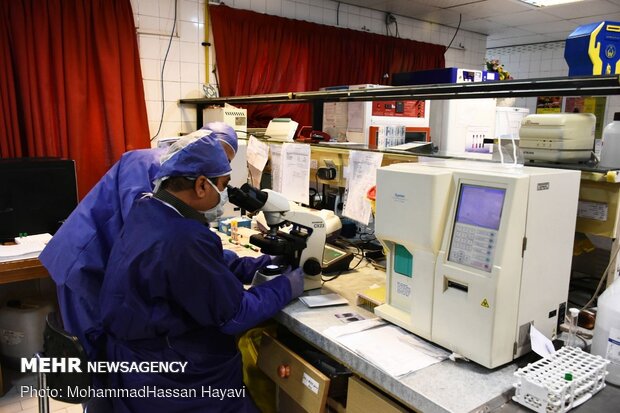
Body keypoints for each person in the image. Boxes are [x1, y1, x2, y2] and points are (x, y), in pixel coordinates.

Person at [99, 135, 304, 413]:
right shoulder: (183, 238)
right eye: (223, 185)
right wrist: (287, 286)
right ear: (200, 185)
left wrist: (259, 265)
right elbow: (235, 315)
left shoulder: (150, 209)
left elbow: (207, 262)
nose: (225, 195)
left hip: (137, 364)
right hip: (174, 380)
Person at [39, 123, 260, 359]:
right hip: (83, 261)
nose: (220, 167)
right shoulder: (152, 166)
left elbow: (171, 244)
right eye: (220, 160)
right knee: (95, 352)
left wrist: (227, 261)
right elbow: (158, 242)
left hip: (103, 258)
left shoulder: (175, 171)